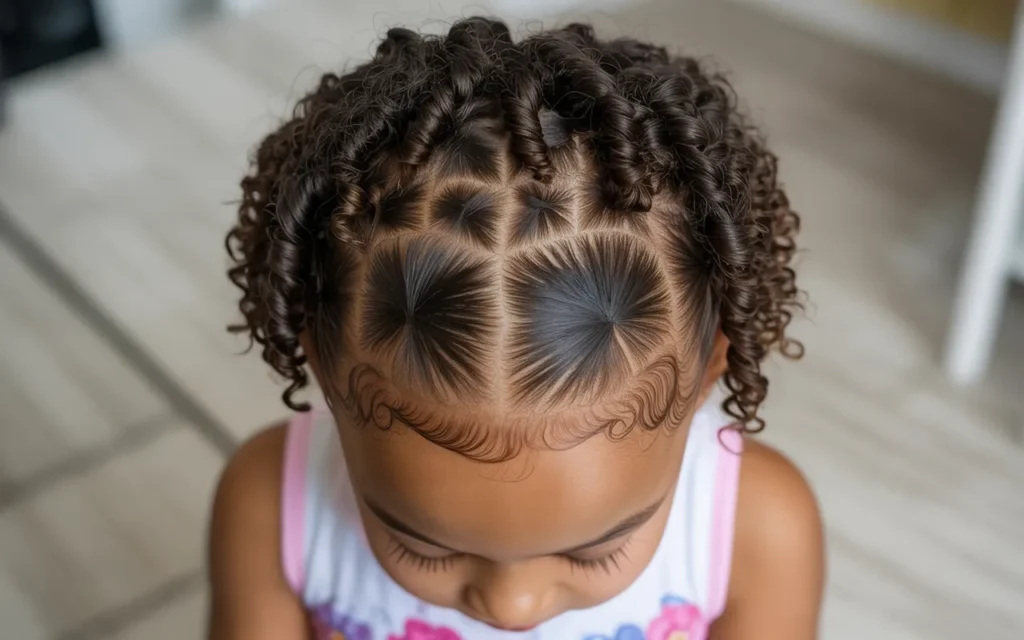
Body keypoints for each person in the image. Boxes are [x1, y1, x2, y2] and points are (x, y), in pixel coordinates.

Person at [209, 17, 824, 640]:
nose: (512, 609)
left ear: (709, 367)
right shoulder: (269, 504)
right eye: (425, 548)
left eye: (596, 552)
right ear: (322, 361)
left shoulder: (756, 529)